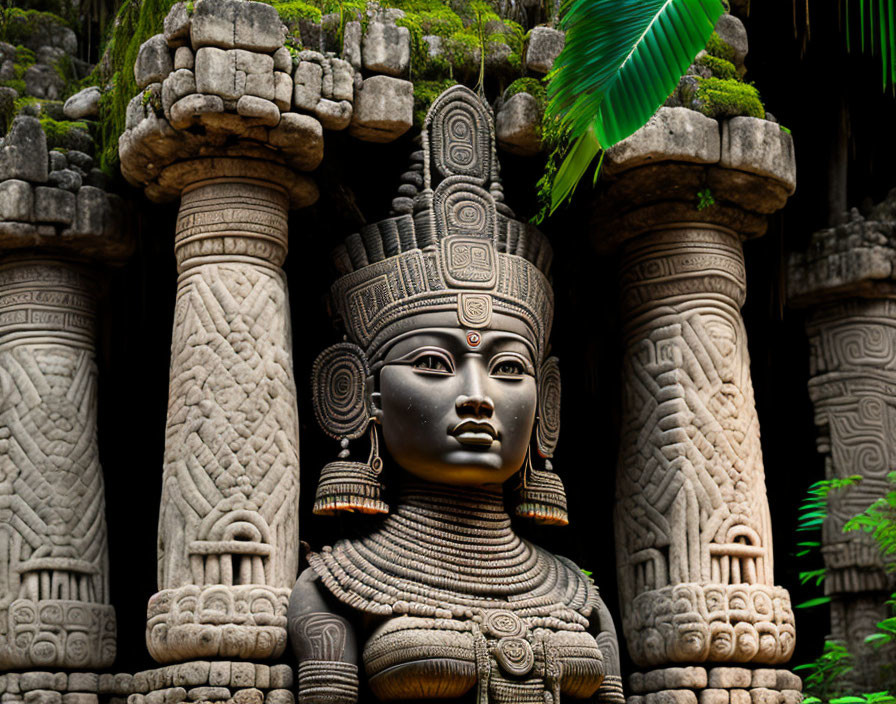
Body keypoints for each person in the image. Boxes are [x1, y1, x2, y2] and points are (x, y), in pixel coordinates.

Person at [288, 85, 624, 704]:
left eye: (507, 367)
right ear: (355, 393)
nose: (477, 396)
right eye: (434, 363)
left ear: (546, 404)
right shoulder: (333, 590)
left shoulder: (582, 597)